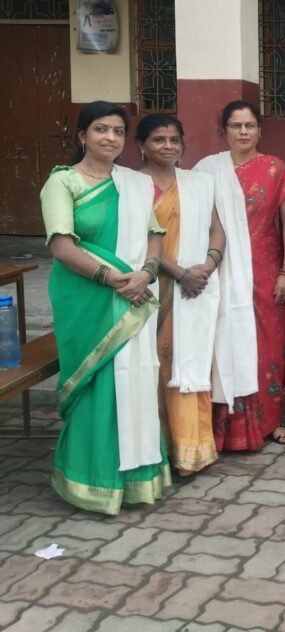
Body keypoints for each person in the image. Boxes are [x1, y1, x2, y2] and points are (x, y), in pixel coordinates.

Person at [40, 101, 170, 514]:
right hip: (86, 297)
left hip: (133, 293)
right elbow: (62, 246)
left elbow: (154, 234)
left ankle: (135, 480)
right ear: (82, 135)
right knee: (97, 381)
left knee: (134, 380)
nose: (110, 137)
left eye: (117, 131)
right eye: (100, 129)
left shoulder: (134, 184)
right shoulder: (63, 182)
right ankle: (89, 481)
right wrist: (115, 280)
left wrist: (147, 273)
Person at [195, 101, 285, 452]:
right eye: (235, 125)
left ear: (260, 130)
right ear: (223, 131)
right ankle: (225, 427)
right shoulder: (206, 171)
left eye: (250, 125)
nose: (243, 132)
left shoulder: (275, 169)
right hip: (221, 268)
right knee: (223, 344)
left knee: (267, 347)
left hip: (267, 268)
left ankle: (269, 421)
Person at [138, 114, 224, 476]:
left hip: (195, 289)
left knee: (191, 362)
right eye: (159, 139)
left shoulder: (198, 183)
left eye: (174, 139)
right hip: (151, 288)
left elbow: (217, 230)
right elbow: (135, 239)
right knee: (156, 366)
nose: (168, 146)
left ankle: (192, 451)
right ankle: (157, 452)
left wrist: (208, 265)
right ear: (142, 145)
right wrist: (180, 273)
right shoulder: (131, 186)